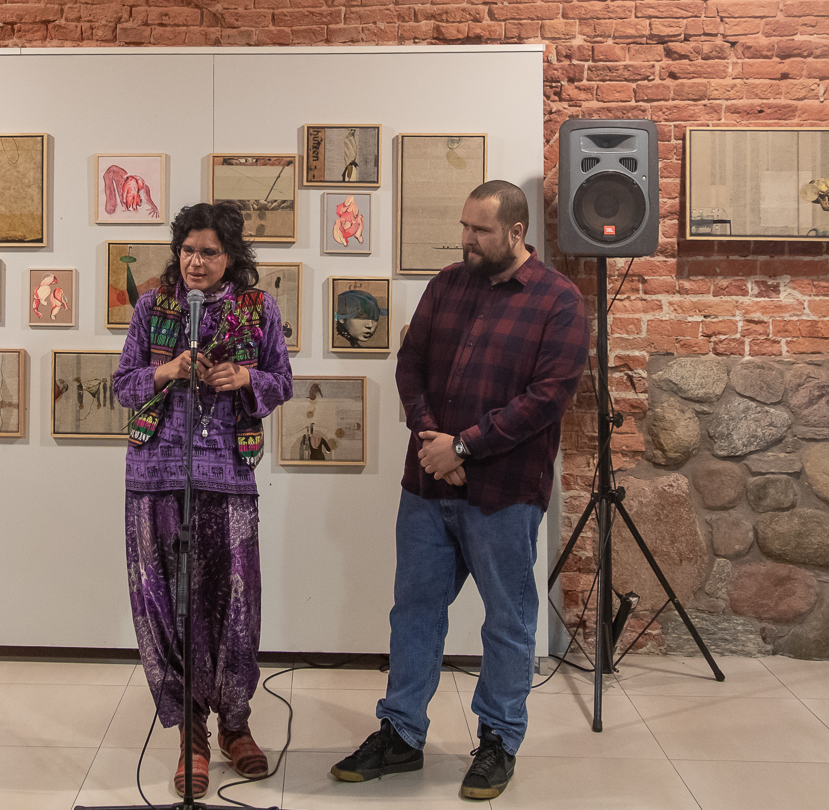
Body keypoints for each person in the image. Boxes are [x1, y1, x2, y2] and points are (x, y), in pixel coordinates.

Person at [333, 181, 588, 801]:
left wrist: (465, 447)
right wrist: (434, 441)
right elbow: (410, 364)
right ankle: (401, 734)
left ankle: (498, 741)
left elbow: (546, 398)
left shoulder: (559, 301)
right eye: (464, 227)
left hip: (506, 493)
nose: (467, 240)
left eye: (480, 230)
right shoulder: (447, 284)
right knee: (414, 611)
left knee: (507, 621)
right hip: (427, 483)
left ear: (516, 233)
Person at [113, 201, 293, 797]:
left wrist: (244, 379)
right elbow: (123, 387)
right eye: (187, 250)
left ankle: (235, 724)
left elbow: (281, 381)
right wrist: (168, 371)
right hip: (156, 475)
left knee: (234, 602)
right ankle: (190, 735)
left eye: (209, 252)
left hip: (228, 475)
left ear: (231, 256)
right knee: (170, 604)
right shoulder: (152, 307)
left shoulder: (258, 308)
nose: (195, 261)